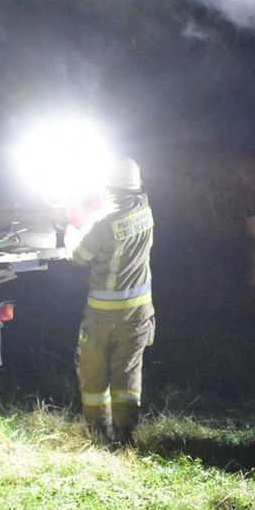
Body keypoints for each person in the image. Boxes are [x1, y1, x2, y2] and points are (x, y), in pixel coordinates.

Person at [68, 155, 155, 446]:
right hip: (138, 313)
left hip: (102, 316)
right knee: (127, 377)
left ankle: (97, 434)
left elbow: (79, 257)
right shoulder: (145, 211)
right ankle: (127, 435)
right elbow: (123, 212)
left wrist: (74, 231)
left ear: (109, 188)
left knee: (94, 378)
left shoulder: (103, 224)